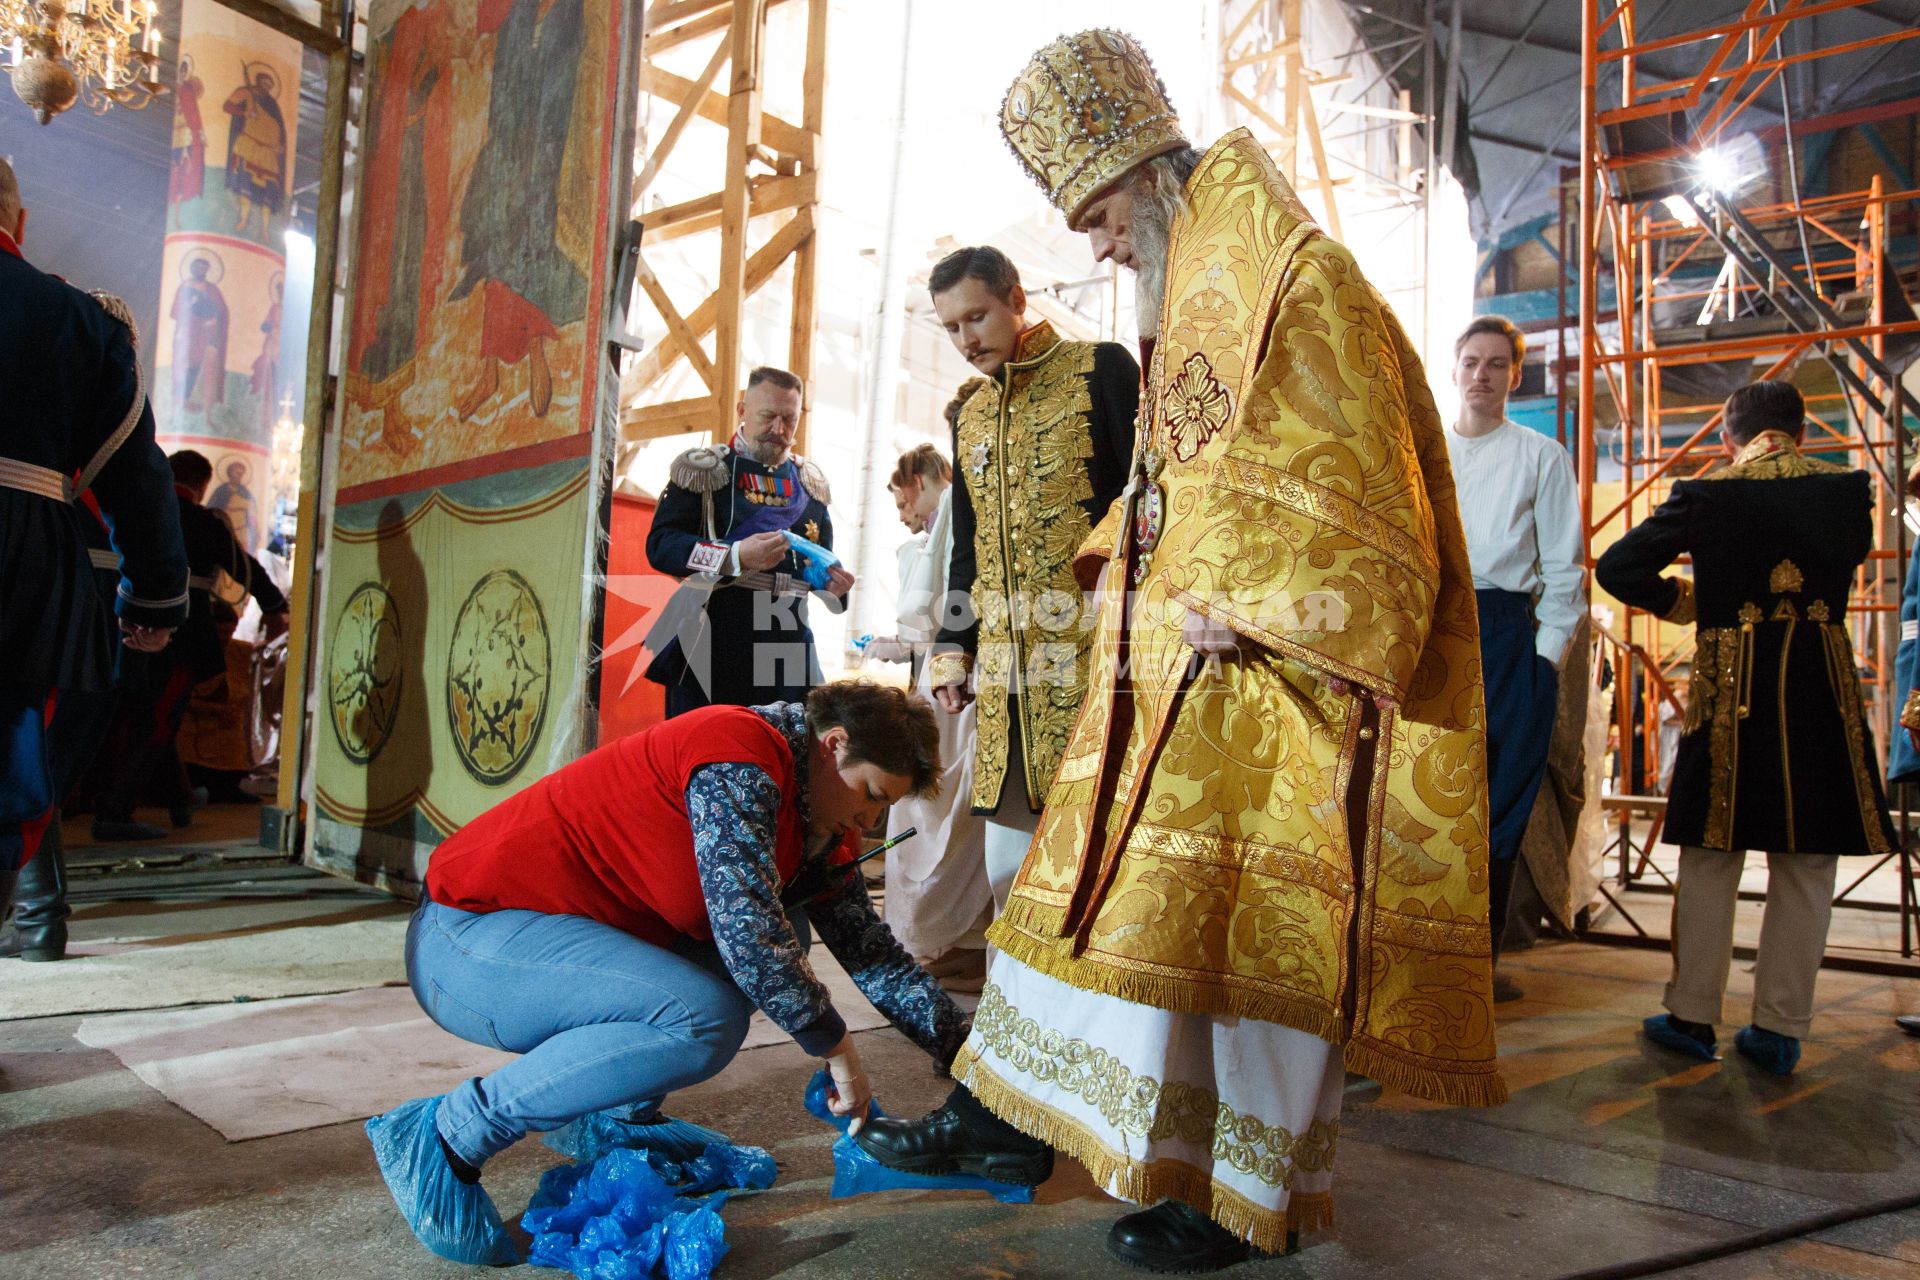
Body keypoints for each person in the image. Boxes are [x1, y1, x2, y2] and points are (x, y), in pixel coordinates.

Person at [858, 31, 1502, 1271]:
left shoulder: (1293, 276)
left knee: (1256, 943)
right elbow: (1166, 480)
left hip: (1278, 678)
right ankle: (1070, 1138)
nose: (1095, 242)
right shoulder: (1197, 277)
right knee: (1124, 923)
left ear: (1147, 173)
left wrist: (1244, 583)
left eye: (1097, 214)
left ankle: (1243, 1200)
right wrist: (1118, 553)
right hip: (1170, 676)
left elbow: (1370, 481)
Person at [366, 681, 967, 1266]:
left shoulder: (816, 824)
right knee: (699, 1020)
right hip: (467, 943)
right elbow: (748, 936)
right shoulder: (738, 754)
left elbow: (874, 957)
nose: (867, 821)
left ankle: (616, 1118)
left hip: (554, 947)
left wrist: (965, 1053)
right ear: (834, 744)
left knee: (780, 945)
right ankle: (450, 1135)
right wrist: (839, 1050)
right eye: (871, 794)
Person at [1598, 380, 1895, 1077]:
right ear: (1801, 432)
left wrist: (1692, 602)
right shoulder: (1848, 490)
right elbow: (1846, 563)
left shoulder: (1708, 493)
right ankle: (1780, 1028)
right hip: (1820, 684)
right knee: (1807, 858)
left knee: (1710, 851)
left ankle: (1693, 1014)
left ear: (1729, 436)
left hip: (1732, 685)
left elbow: (1619, 566)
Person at [922, 245, 1138, 918]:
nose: (966, 339)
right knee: (1009, 864)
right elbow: (968, 546)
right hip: (1010, 674)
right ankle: (1016, 1013)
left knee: (1100, 849)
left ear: (1017, 301)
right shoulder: (971, 417)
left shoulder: (1102, 369)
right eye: (952, 327)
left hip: (1097, 652)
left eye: (977, 317)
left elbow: (1145, 494)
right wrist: (952, 643)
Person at [0, 157, 189, 917]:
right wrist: (154, 600)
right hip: (20, 559)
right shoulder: (79, 321)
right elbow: (135, 477)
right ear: (18, 220)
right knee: (7, 762)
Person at [1445, 315, 1586, 999]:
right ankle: (1422, 961)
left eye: (1497, 364)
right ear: (1454, 370)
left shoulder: (1541, 456)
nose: (1482, 375)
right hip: (1436, 630)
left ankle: (1478, 968)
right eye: (1471, 361)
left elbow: (1565, 568)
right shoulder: (1425, 452)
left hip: (1508, 638)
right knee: (1429, 796)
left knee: (1498, 808)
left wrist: (1544, 661)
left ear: (1515, 375)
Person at [92, 450, 289, 841]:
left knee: (143, 713)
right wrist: (274, 606)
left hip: (122, 623)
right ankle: (114, 812)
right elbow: (243, 566)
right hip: (180, 631)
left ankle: (182, 796)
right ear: (202, 486)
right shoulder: (204, 520)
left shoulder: (135, 509)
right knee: (160, 718)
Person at [644, 367, 854, 717]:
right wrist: (735, 555)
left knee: (788, 758)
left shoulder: (809, 483)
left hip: (786, 643)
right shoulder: (705, 471)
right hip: (713, 638)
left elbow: (819, 561)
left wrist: (834, 586)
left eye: (789, 419)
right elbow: (662, 545)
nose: (779, 430)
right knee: (707, 755)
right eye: (768, 416)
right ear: (742, 410)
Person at [869, 434, 991, 986]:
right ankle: (943, 937)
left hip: (965, 670)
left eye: (902, 502)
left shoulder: (954, 514)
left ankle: (959, 939)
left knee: (956, 797)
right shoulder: (931, 531)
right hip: (947, 667)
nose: (903, 516)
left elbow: (928, 609)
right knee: (933, 799)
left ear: (920, 482)